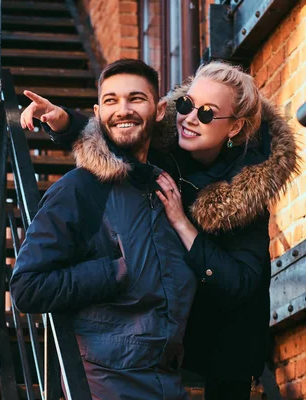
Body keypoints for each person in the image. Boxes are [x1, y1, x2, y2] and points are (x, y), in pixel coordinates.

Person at [20, 60, 299, 400]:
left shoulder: (247, 190)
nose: (191, 118)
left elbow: (241, 283)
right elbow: (123, 129)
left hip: (228, 343)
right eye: (186, 105)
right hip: (166, 335)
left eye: (208, 113)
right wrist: (64, 123)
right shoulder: (169, 142)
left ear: (235, 128)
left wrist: (183, 223)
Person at [10, 59, 197, 400]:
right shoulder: (79, 189)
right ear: (98, 112)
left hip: (167, 381)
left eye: (135, 99)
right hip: (104, 384)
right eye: (111, 101)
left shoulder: (163, 185)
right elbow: (26, 288)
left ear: (158, 110)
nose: (122, 110)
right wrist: (115, 272)